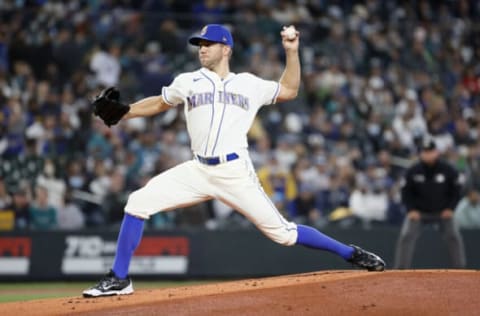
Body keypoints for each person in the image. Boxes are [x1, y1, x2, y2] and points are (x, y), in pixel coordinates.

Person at [83, 24, 385, 298]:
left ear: (226, 48)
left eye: (209, 43)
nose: (202, 48)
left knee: (284, 234)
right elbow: (160, 103)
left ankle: (349, 253)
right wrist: (125, 111)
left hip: (234, 171)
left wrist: (291, 52)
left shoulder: (249, 84)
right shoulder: (188, 80)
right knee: (137, 202)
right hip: (198, 169)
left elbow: (290, 90)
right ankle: (119, 278)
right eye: (200, 43)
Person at [394, 137, 466, 269]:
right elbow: (405, 192)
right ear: (421, 153)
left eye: (430, 151)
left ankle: (460, 269)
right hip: (419, 212)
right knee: (406, 235)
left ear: (436, 152)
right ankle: (401, 269)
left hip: (443, 211)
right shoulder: (413, 170)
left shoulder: (448, 169)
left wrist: (451, 208)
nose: (427, 154)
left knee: (453, 236)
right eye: (424, 151)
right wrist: (410, 210)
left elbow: (457, 190)